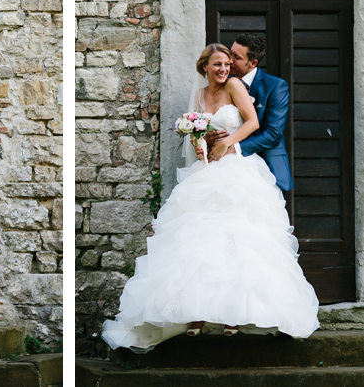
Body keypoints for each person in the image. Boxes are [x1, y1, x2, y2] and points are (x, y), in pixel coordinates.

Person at [100, 42, 318, 353]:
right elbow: (195, 131)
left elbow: (254, 123)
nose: (224, 69)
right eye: (217, 64)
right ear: (205, 67)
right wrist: (200, 143)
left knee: (238, 240)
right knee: (199, 244)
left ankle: (234, 315)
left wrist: (228, 142)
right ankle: (196, 314)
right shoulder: (201, 94)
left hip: (237, 170)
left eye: (227, 64)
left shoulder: (234, 86)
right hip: (206, 171)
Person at [206, 33, 292, 191]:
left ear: (252, 63)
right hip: (226, 169)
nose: (229, 60)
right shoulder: (221, 81)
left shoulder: (275, 86)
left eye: (236, 57)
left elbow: (273, 133)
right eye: (230, 53)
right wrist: (208, 136)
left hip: (266, 165)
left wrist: (233, 147)